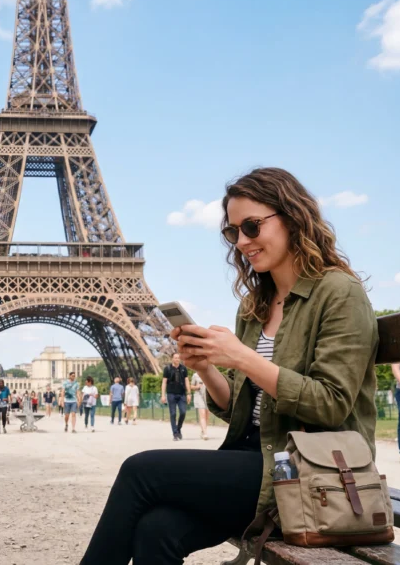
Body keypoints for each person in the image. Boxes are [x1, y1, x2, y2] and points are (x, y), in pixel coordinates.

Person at [80, 167, 381, 564]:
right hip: (252, 460)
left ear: (293, 217)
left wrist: (242, 357)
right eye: (232, 232)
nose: (241, 242)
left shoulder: (339, 292)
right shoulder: (255, 305)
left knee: (141, 471)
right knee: (157, 529)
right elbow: (238, 407)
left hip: (309, 472)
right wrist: (206, 367)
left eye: (252, 227)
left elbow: (331, 404)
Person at [162, 353, 192, 441]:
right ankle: (175, 433)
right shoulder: (167, 369)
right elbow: (164, 382)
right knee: (173, 413)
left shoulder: (183, 368)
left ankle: (178, 428)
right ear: (172, 359)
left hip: (182, 394)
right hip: (171, 394)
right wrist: (163, 395)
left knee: (183, 412)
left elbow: (186, 380)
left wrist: (189, 393)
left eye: (178, 358)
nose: (177, 359)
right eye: (175, 358)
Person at [191, 370, 210, 440]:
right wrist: (197, 387)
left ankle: (203, 430)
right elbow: (191, 386)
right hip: (199, 396)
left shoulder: (208, 374)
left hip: (208, 396)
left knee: (207, 415)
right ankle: (205, 433)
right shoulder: (195, 375)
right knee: (202, 414)